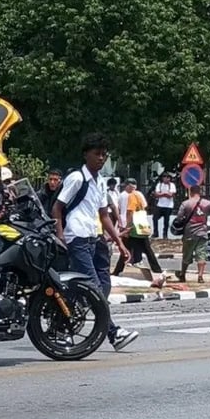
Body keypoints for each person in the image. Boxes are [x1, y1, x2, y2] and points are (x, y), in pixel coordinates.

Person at [52, 132, 138, 352]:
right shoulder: (76, 178)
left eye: (104, 155)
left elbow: (104, 215)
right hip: (76, 238)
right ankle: (113, 333)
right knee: (92, 287)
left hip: (94, 239)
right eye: (97, 154)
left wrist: (119, 242)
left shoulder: (100, 182)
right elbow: (57, 208)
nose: (101, 158)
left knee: (102, 285)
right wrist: (60, 236)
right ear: (86, 155)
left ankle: (60, 326)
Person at [112, 178, 162, 276]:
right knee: (147, 249)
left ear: (129, 186)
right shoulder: (139, 194)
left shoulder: (131, 196)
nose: (124, 188)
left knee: (126, 249)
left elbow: (130, 212)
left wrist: (127, 227)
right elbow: (144, 207)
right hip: (141, 225)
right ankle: (157, 270)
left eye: (126, 186)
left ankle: (117, 271)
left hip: (133, 228)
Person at [173, 185, 210, 283]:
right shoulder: (206, 203)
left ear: (190, 192)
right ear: (199, 192)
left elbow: (179, 217)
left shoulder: (186, 203)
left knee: (186, 255)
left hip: (189, 233)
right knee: (201, 254)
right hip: (202, 232)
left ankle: (182, 274)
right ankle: (200, 276)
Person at [152, 172, 177, 238]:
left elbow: (171, 195)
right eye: (164, 177)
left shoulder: (172, 185)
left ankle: (165, 234)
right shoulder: (159, 185)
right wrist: (165, 193)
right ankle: (155, 233)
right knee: (155, 218)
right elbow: (156, 194)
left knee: (166, 221)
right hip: (160, 205)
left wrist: (162, 194)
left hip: (168, 206)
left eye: (168, 177)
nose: (166, 178)